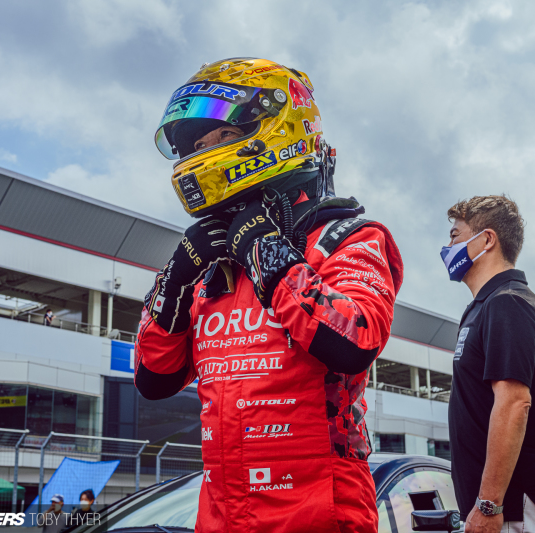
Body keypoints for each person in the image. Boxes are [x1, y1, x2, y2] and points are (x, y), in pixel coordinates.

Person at [135, 58, 403, 533]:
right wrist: (173, 283)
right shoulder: (210, 265)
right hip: (221, 518)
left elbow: (354, 341)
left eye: (222, 135)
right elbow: (154, 379)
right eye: (198, 145)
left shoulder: (347, 237)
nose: (206, 151)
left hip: (321, 515)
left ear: (278, 128)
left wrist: (268, 253)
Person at [444, 196, 535, 533]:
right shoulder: (482, 307)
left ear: (487, 240)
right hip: (498, 508)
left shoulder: (509, 302)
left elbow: (515, 403)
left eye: (455, 236)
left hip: (515, 508)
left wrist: (488, 504)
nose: (447, 247)